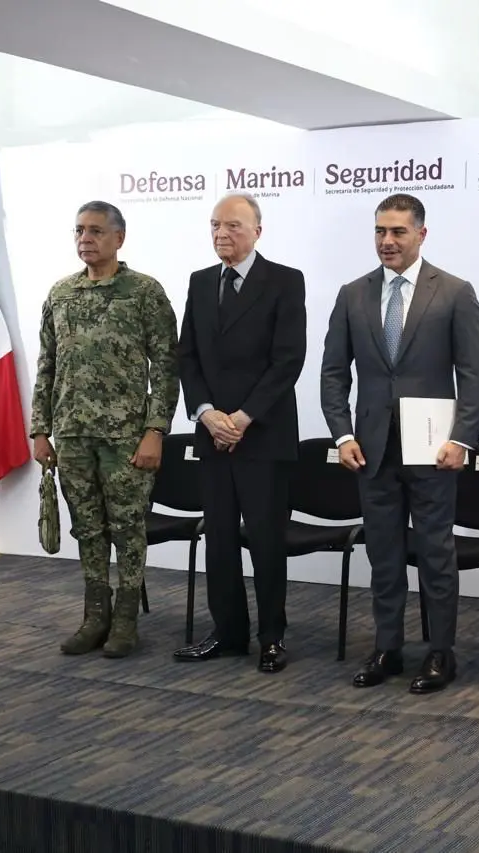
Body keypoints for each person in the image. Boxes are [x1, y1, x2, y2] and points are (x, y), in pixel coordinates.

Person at [320, 193, 479, 693]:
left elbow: (473, 373)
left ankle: (440, 652)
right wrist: (342, 432)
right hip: (370, 449)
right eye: (379, 232)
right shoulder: (353, 294)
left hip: (434, 450)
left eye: (397, 232)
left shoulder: (455, 292)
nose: (387, 241)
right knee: (385, 555)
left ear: (421, 234)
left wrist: (463, 439)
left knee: (436, 553)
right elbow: (333, 373)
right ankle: (387, 648)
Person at [30, 200, 180, 659]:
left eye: (95, 231)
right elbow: (47, 366)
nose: (85, 239)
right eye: (79, 231)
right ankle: (95, 617)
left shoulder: (144, 292)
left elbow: (168, 366)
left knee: (127, 528)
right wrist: (39, 429)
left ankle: (126, 621)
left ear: (119, 237)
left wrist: (156, 429)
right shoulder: (60, 294)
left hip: (126, 438)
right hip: (73, 436)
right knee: (88, 529)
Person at [173, 193, 307, 673]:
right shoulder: (200, 281)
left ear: (257, 231)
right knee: (220, 538)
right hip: (212, 434)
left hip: (263, 436)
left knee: (267, 540)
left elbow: (288, 359)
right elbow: (187, 355)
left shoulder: (285, 281)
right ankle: (227, 632)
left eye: (231, 225)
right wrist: (206, 413)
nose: (221, 234)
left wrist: (244, 418)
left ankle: (271, 636)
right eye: (214, 225)